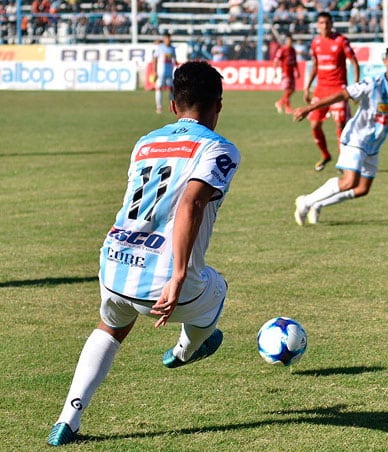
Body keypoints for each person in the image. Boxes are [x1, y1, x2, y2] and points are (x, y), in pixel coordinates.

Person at [47, 61, 241, 446]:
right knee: (216, 288)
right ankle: (186, 350)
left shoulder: (145, 141)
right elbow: (191, 204)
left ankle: (68, 419)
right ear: (218, 106)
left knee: (112, 327)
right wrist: (179, 273)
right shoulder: (219, 148)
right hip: (163, 282)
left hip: (114, 263)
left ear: (173, 106)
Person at [293, 43, 388, 226]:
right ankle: (305, 201)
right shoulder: (372, 84)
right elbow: (342, 95)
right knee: (349, 181)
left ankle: (318, 204)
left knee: (362, 189)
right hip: (356, 138)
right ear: (385, 62)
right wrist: (309, 108)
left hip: (374, 145)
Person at [304, 11, 361, 172]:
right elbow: (315, 65)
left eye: (327, 23)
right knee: (314, 124)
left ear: (332, 24)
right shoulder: (315, 42)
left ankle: (343, 160)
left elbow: (354, 63)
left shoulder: (341, 41)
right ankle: (325, 155)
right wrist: (307, 87)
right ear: (318, 25)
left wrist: (355, 87)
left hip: (338, 89)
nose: (325, 26)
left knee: (340, 124)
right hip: (321, 89)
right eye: (321, 23)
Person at [272, 33, 300, 114]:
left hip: (291, 73)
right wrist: (275, 71)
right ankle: (287, 108)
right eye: (288, 41)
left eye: (291, 41)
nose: (289, 42)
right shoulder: (282, 50)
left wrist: (297, 71)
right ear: (286, 41)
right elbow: (276, 60)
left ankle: (280, 102)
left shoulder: (293, 50)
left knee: (292, 90)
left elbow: (295, 62)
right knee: (288, 90)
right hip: (285, 72)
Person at [152, 31, 177, 114]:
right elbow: (155, 59)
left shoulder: (172, 48)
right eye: (167, 38)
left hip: (169, 73)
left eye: (169, 38)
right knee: (159, 88)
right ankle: (159, 107)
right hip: (161, 73)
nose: (168, 40)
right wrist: (155, 71)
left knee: (171, 89)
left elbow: (174, 60)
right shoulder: (159, 47)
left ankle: (172, 107)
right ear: (164, 39)